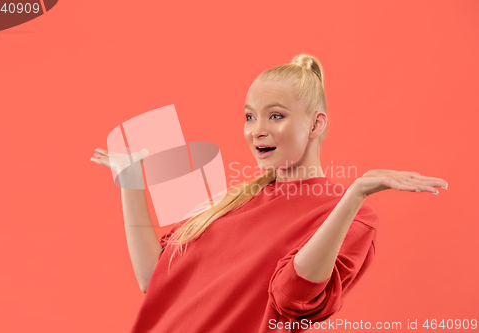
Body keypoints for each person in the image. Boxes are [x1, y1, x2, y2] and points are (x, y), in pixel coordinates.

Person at [90, 54, 448, 333]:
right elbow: (155, 281)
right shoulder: (231, 203)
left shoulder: (352, 214)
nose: (256, 130)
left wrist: (355, 195)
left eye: (275, 116)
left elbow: (293, 298)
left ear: (316, 124)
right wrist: (131, 182)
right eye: (249, 117)